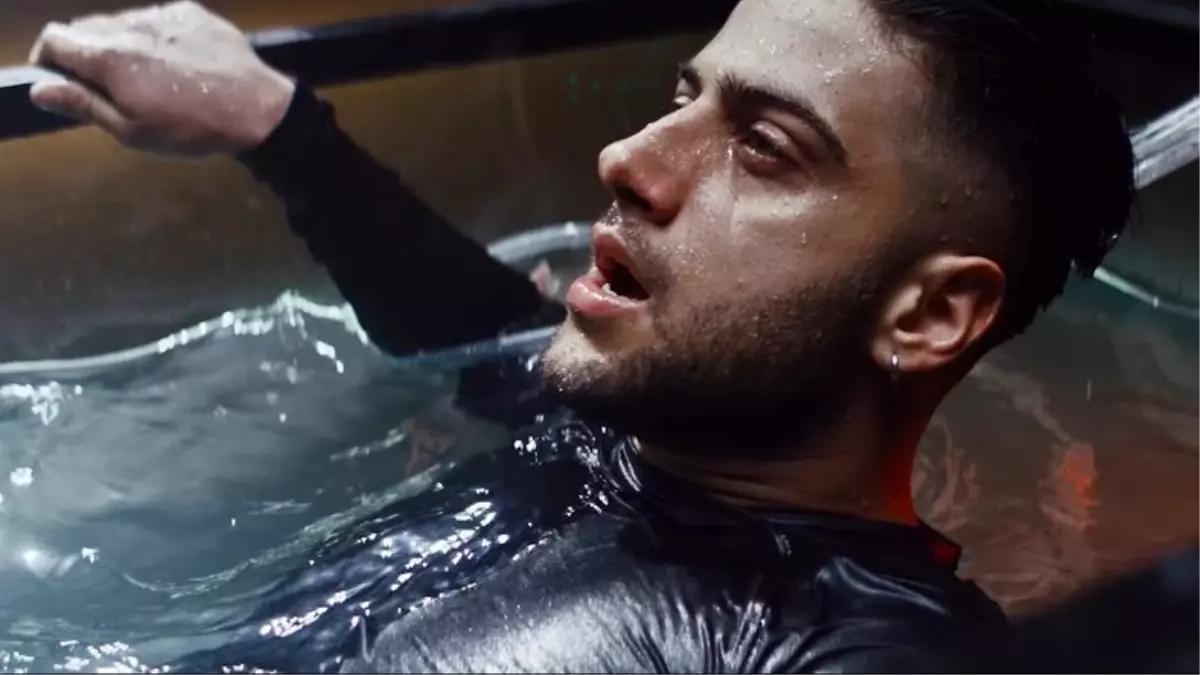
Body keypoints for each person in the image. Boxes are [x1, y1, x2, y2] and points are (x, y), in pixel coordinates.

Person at [26, 0, 1134, 671]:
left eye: (764, 148)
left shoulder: (858, 641)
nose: (627, 158)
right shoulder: (631, 426)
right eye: (683, 98)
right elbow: (470, 331)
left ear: (930, 315)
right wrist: (276, 124)